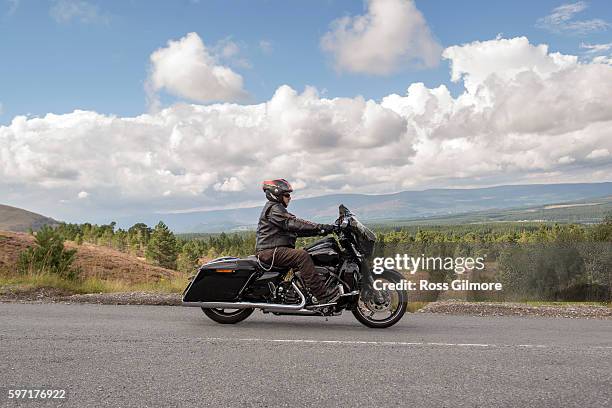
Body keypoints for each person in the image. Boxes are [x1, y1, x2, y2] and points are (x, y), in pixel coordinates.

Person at [255, 179, 340, 304]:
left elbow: (297, 230)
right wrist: (321, 227)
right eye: (287, 195)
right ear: (276, 194)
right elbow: (293, 223)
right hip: (269, 251)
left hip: (274, 250)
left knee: (306, 254)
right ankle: (322, 295)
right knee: (301, 256)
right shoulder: (274, 209)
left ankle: (302, 293)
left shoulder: (277, 209)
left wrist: (323, 230)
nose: (289, 198)